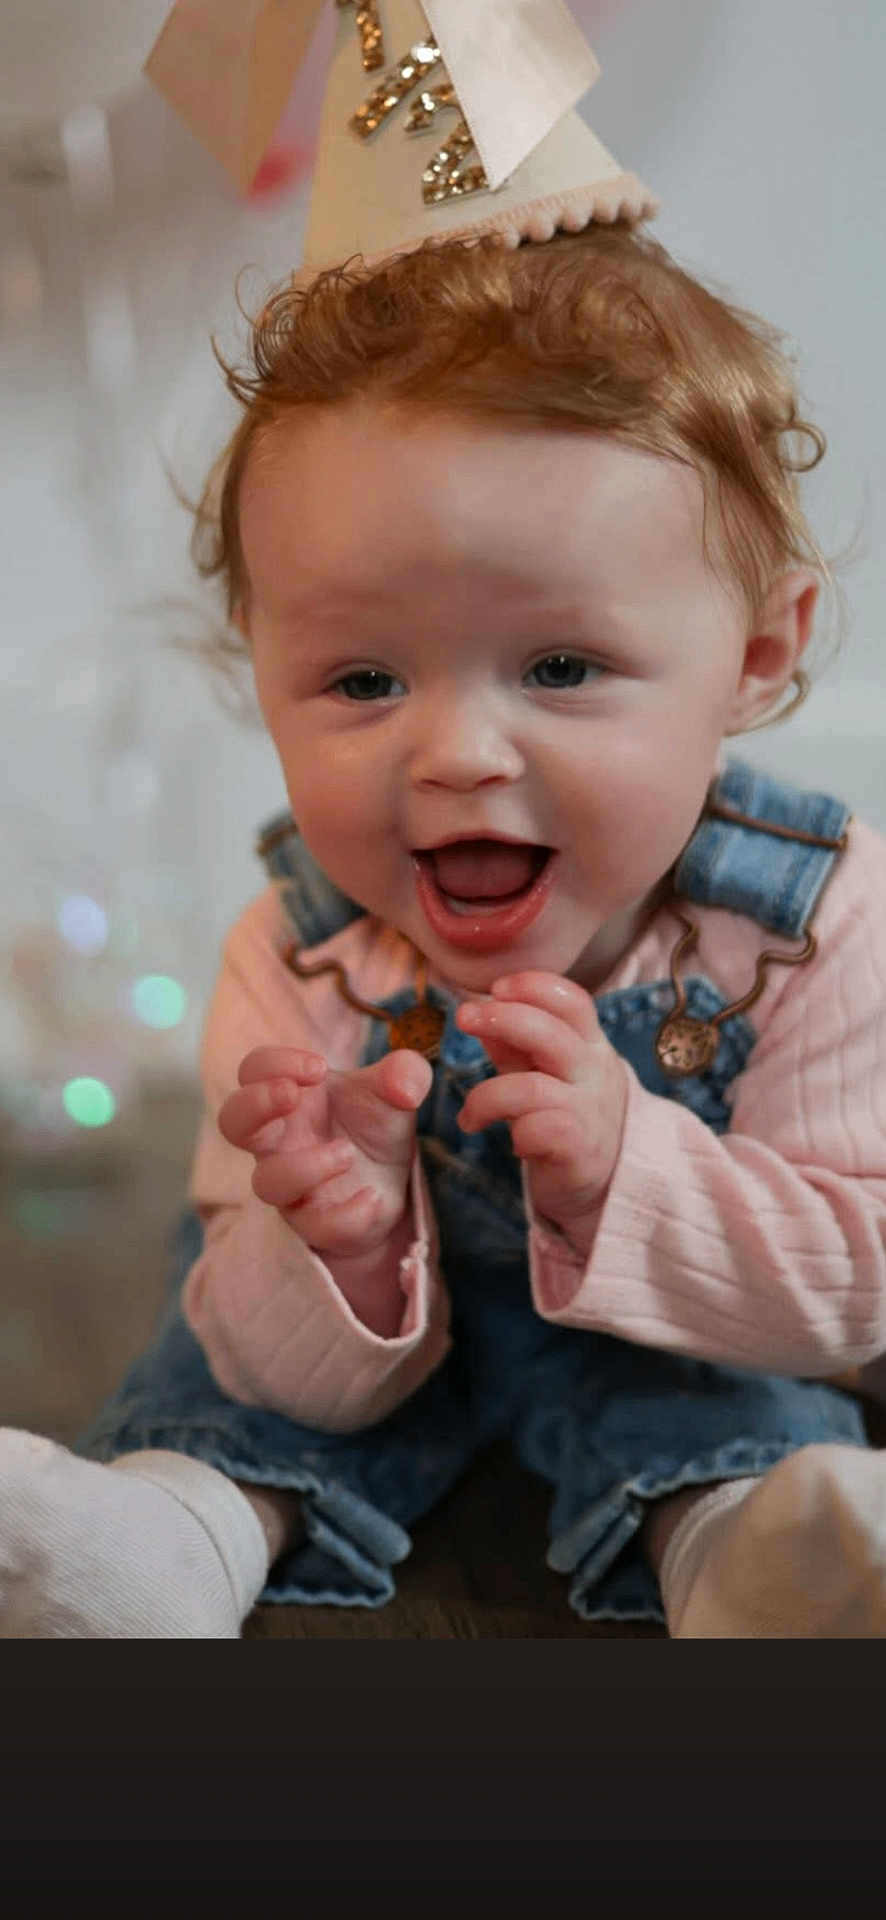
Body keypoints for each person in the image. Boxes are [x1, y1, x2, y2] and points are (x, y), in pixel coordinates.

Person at [2, 9, 885, 1637]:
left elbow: (852, 1291)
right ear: (254, 671)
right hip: (356, 1392)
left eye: (559, 665)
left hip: (691, 1349)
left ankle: (762, 1566)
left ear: (756, 656)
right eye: (357, 680)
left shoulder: (805, 924)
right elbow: (277, 1365)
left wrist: (637, 1170)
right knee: (219, 1410)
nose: (457, 755)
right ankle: (152, 1556)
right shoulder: (301, 957)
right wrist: (322, 1236)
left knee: (729, 1430)